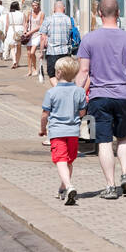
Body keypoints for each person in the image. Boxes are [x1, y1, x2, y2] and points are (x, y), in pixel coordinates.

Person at [77, 0, 126, 200]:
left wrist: (74, 94)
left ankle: (110, 185)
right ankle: (125, 174)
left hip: (100, 96)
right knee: (124, 136)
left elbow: (83, 71)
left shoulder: (89, 40)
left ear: (99, 14)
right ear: (118, 14)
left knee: (105, 141)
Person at [41, 56, 87, 206]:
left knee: (60, 160)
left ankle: (69, 186)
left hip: (57, 132)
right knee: (69, 161)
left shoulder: (51, 93)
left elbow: (45, 115)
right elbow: (82, 112)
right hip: (73, 132)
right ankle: (63, 188)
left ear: (59, 73)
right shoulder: (79, 91)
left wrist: (43, 129)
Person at [38, 0, 74, 82]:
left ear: (54, 9)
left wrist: (41, 52)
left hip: (52, 52)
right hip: (65, 52)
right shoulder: (68, 20)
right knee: (65, 74)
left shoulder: (48, 19)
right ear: (64, 8)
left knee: (52, 75)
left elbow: (42, 37)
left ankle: (58, 90)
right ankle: (63, 90)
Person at [25, 1, 45, 76]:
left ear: (38, 5)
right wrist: (25, 30)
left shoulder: (41, 13)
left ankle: (35, 69)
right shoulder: (30, 13)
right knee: (28, 53)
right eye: (33, 5)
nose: (34, 7)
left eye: (36, 5)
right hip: (29, 35)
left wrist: (30, 32)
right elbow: (26, 22)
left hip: (37, 34)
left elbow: (40, 26)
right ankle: (29, 70)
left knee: (32, 52)